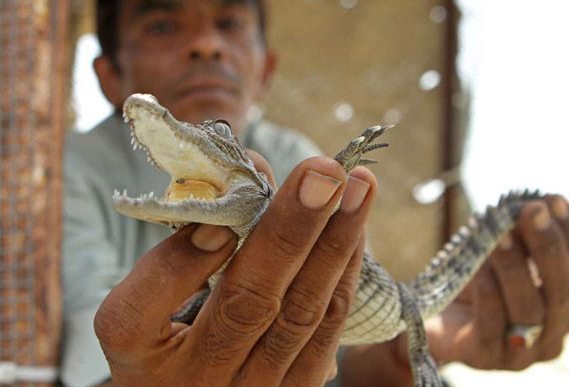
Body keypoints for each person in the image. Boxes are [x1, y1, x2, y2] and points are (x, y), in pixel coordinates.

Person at [61, 0, 569, 386]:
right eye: (162, 25)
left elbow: (336, 335)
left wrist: (422, 346)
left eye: (230, 23)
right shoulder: (60, 173)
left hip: (397, 309)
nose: (206, 46)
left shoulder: (294, 158)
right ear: (109, 76)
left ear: (266, 71)